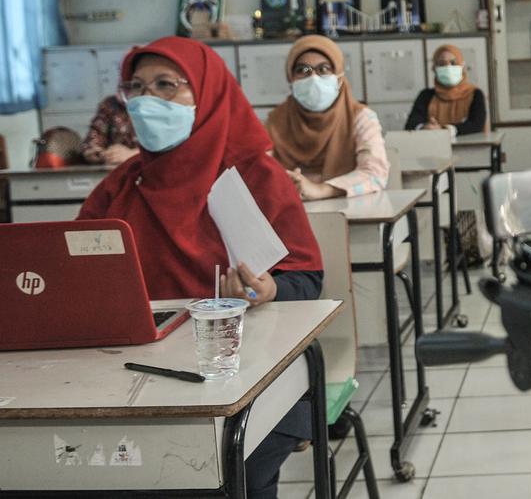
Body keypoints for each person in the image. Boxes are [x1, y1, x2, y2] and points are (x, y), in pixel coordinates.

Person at [77, 37, 323, 499]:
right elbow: (74, 271)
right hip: (133, 373)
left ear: (208, 94)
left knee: (214, 480)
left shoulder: (254, 176)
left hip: (249, 372)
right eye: (138, 87)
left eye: (167, 85)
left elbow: (308, 279)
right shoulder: (123, 184)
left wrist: (268, 291)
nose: (149, 100)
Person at [266, 35, 389, 201]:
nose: (313, 78)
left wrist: (321, 190)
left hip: (351, 212)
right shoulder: (275, 122)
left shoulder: (361, 118)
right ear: (291, 78)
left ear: (339, 77)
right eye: (302, 70)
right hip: (290, 210)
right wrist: (288, 183)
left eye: (323, 69)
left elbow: (375, 174)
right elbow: (260, 171)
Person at [405, 44, 488, 135]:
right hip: (434, 147)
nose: (448, 67)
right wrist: (424, 127)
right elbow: (411, 125)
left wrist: (445, 129)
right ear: (434, 68)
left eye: (453, 63)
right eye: (442, 63)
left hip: (470, 148)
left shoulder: (474, 94)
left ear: (462, 66)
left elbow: (476, 125)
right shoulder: (426, 95)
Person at [80, 95, 139, 164]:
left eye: (136, 86)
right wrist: (101, 154)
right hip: (116, 169)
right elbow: (92, 139)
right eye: (124, 86)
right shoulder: (110, 104)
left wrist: (131, 154)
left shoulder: (152, 105)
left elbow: (154, 152)